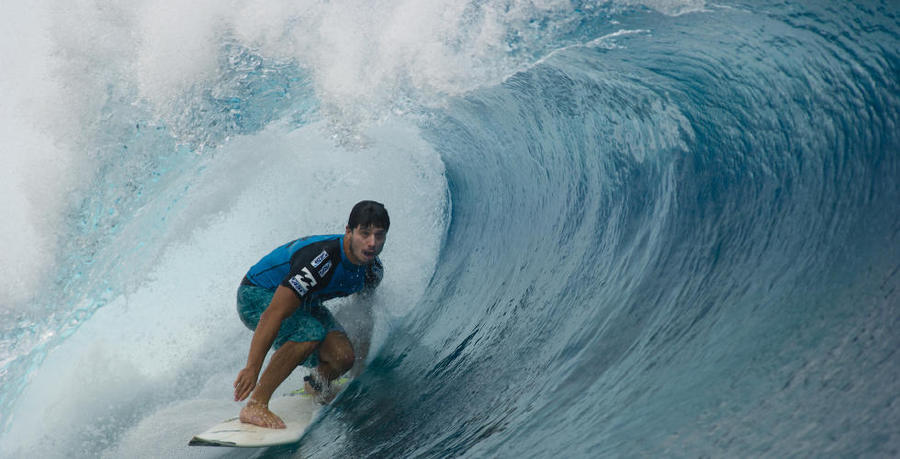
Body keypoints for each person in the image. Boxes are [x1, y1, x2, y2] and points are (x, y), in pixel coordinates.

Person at [232, 200, 388, 429]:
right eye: (364, 233)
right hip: (256, 295)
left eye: (379, 235)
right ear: (349, 231)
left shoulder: (372, 271)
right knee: (310, 333)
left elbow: (365, 317)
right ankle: (256, 404)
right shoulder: (321, 260)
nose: (372, 243)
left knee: (344, 357)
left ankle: (315, 384)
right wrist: (252, 368)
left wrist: (359, 371)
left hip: (303, 302)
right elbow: (273, 314)